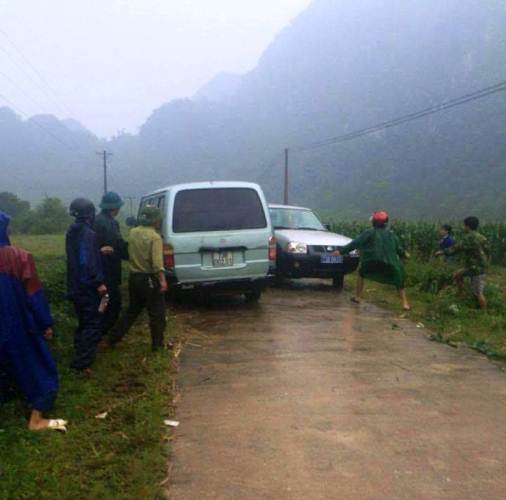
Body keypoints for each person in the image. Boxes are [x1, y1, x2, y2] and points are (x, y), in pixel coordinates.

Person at [0, 211, 66, 431]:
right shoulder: (19, 257)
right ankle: (36, 420)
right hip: (18, 327)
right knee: (40, 368)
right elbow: (34, 295)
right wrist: (45, 324)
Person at [109, 206, 168, 351]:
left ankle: (114, 337)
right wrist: (162, 280)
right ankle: (157, 345)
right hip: (148, 278)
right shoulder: (155, 237)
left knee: (133, 310)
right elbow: (157, 263)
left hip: (134, 277)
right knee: (157, 312)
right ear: (156, 220)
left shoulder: (133, 232)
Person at [66, 198, 107, 375]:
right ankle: (82, 364)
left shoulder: (71, 231)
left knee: (83, 322)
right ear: (90, 214)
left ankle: (79, 354)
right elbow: (86, 261)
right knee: (92, 323)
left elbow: (77, 257)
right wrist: (98, 282)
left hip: (75, 284)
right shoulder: (88, 233)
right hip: (87, 286)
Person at [338, 211, 411, 311]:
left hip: (371, 262)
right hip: (391, 263)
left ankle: (358, 297)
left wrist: (340, 251)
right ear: (386, 223)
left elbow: (355, 243)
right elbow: (400, 250)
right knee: (399, 280)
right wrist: (406, 255)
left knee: (361, 273)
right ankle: (405, 303)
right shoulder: (392, 235)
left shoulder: (369, 233)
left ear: (374, 222)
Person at [93, 191, 129, 338]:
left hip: (104, 274)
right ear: (115, 208)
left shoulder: (100, 221)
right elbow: (118, 245)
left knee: (106, 304)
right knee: (110, 304)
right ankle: (99, 335)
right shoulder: (107, 223)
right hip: (106, 275)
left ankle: (99, 334)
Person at [436, 216, 489, 309]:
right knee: (457, 274)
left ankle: (484, 313)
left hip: (477, 269)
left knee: (478, 293)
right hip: (473, 266)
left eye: (464, 225)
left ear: (468, 226)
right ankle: (460, 295)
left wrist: (442, 252)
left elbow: (456, 248)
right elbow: (487, 251)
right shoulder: (482, 237)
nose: (463, 227)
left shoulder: (469, 237)